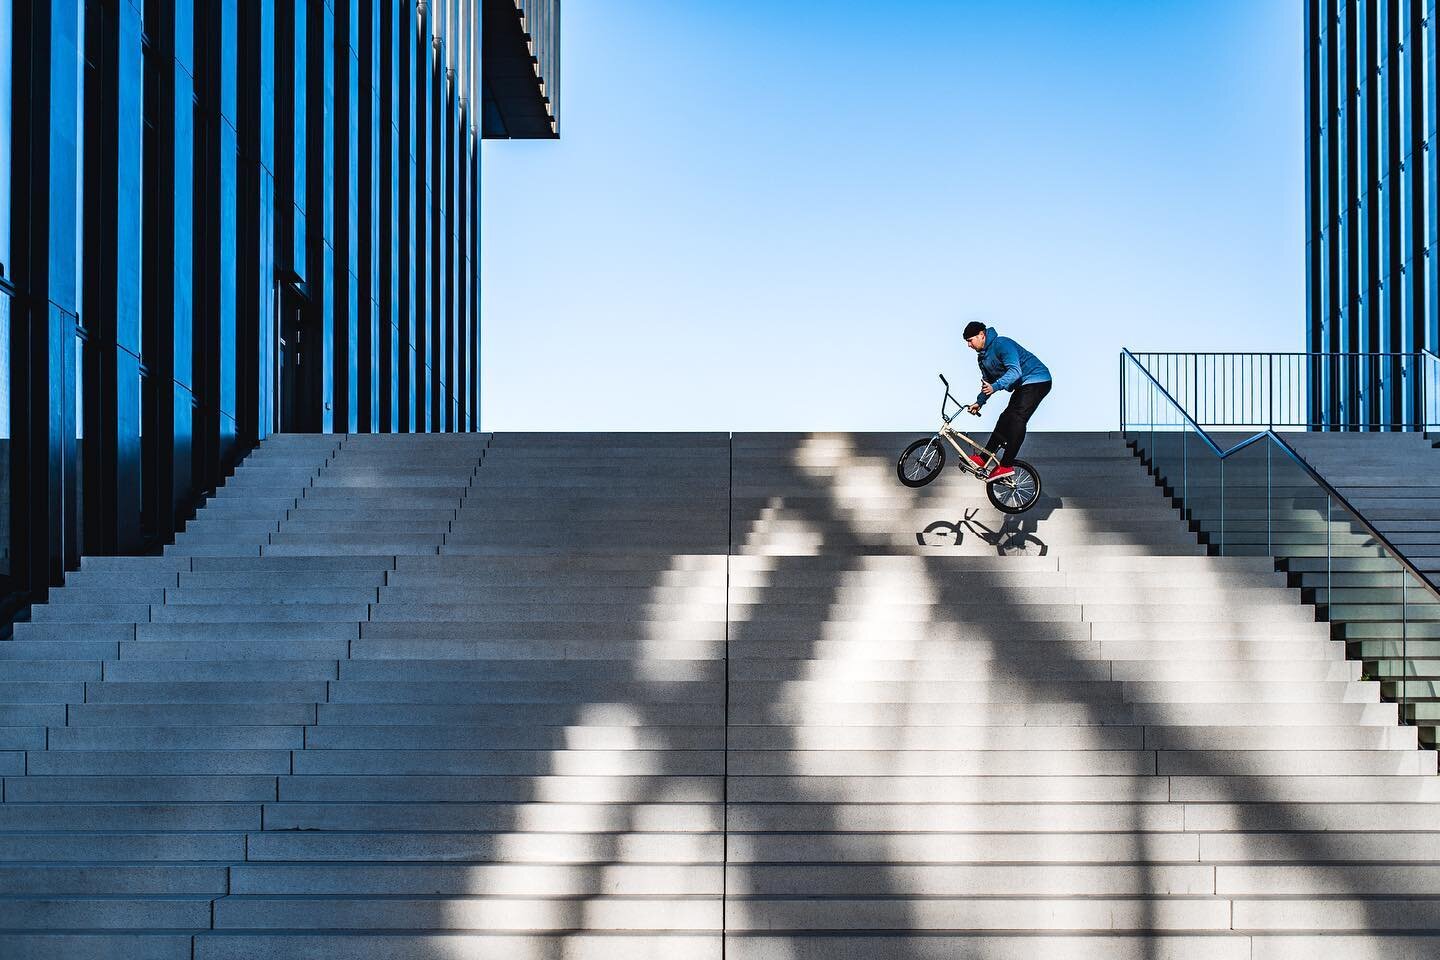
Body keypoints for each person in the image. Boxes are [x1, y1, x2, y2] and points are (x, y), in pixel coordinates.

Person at [962, 321, 1052, 482]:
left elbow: (1015, 371)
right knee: (1004, 418)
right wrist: (979, 402)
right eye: (967, 342)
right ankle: (983, 458)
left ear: (982, 335)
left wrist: (996, 386)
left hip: (1038, 380)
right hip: (1023, 386)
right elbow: (987, 383)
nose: (969, 345)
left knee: (1017, 417)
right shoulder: (982, 359)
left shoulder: (1002, 344)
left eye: (970, 340)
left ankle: (1006, 465)